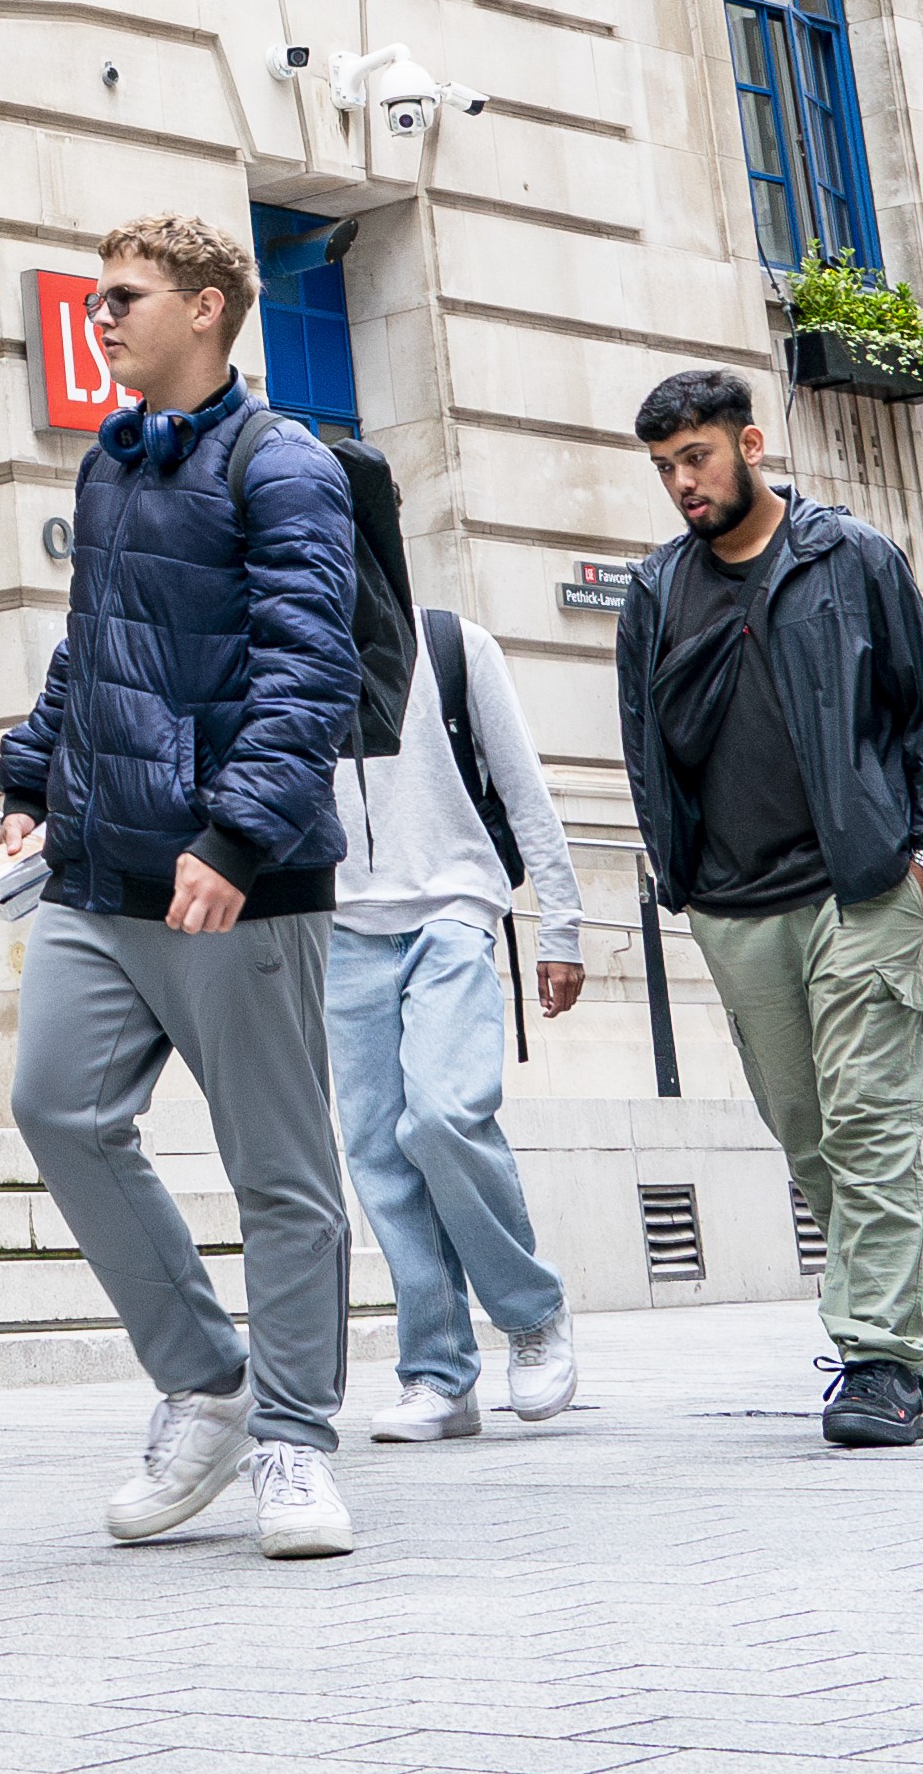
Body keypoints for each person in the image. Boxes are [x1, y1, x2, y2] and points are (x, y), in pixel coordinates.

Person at [0, 214, 361, 1562]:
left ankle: (299, 1439)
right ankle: (207, 1383)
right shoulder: (115, 460)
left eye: (122, 297)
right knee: (56, 1104)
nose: (99, 316)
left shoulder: (286, 465)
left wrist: (237, 832)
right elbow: (93, 641)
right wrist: (33, 770)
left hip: (236, 878)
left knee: (281, 1168)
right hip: (100, 867)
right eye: (97, 298)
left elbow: (308, 668)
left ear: (207, 308)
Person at [616, 367, 923, 1451]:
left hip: (861, 887)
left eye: (697, 458)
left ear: (751, 444)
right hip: (735, 907)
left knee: (871, 1123)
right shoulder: (655, 594)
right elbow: (647, 755)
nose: (683, 483)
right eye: (665, 468)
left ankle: (873, 1360)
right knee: (808, 1136)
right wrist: (679, 881)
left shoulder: (848, 556)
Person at [333, 593, 589, 1445]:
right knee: (376, 1148)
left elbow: (523, 788)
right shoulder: (279, 645)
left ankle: (532, 1310)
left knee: (442, 1114)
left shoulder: (453, 643)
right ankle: (438, 1373)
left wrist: (563, 928)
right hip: (339, 925)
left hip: (454, 902)